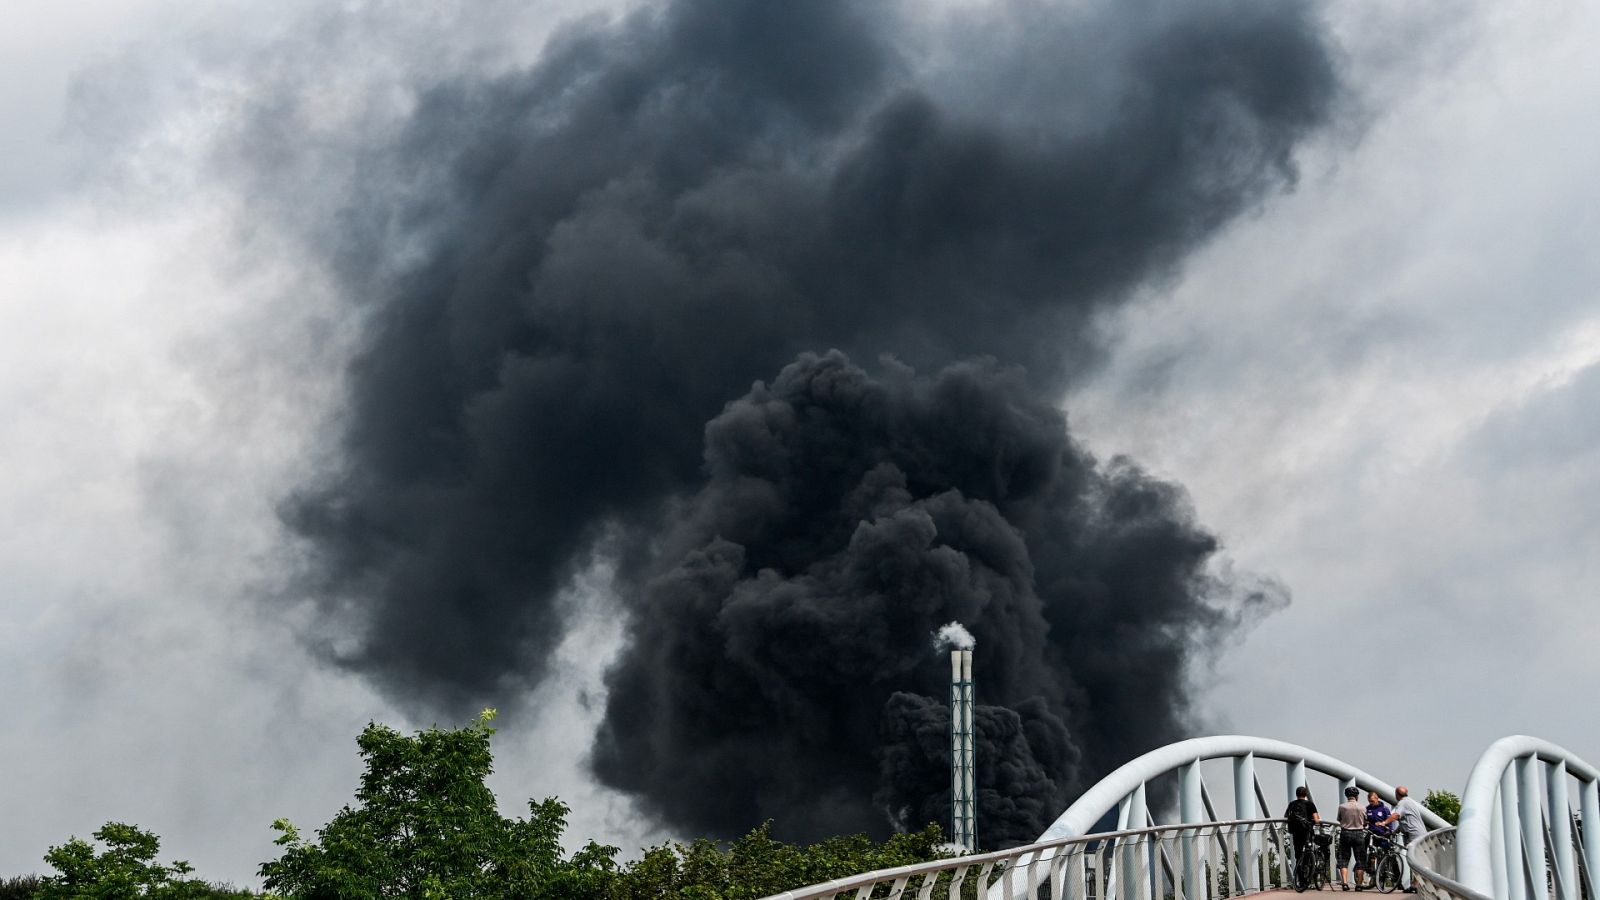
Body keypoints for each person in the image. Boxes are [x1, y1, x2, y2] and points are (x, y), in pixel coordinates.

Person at [1379, 786, 1426, 893]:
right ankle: (1414, 885)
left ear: (1396, 794)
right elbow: (1405, 821)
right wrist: (1394, 832)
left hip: (1414, 834)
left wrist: (1384, 822)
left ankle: (1417, 885)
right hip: (1416, 832)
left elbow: (1396, 815)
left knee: (1414, 860)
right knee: (1415, 860)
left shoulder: (1402, 803)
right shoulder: (1410, 802)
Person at [1285, 785, 1321, 889]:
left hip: (1296, 832)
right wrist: (1316, 821)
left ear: (1297, 794)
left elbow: (1286, 816)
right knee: (1309, 851)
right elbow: (1316, 819)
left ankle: (1300, 880)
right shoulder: (1310, 804)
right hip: (1307, 831)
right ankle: (1309, 872)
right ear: (1306, 795)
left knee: (1298, 855)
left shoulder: (1292, 804)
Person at [1336, 785, 1369, 890]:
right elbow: (1365, 821)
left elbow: (1339, 819)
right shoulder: (1362, 807)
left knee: (1343, 858)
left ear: (1347, 796)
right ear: (1357, 796)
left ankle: (1345, 883)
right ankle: (1359, 885)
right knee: (1360, 859)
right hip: (1359, 833)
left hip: (1345, 833)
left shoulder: (1342, 807)